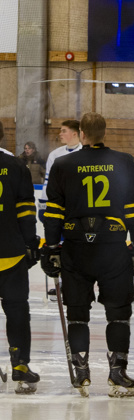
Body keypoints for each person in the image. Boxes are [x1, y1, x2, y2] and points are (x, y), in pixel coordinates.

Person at [41, 112, 134, 398]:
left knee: (77, 313)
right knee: (119, 313)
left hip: (76, 249)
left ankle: (81, 371)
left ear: (82, 135)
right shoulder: (124, 162)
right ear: (104, 132)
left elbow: (53, 212)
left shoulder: (63, 164)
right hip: (113, 248)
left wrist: (50, 247)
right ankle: (118, 373)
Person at [0, 121, 41, 393]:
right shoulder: (16, 166)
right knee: (17, 310)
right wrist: (31, 244)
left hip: (10, 252)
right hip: (10, 253)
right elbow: (26, 211)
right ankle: (20, 365)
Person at [39, 119, 82, 301]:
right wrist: (43, 204)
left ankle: (75, 281)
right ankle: (63, 282)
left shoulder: (84, 153)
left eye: (64, 130)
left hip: (76, 210)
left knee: (74, 247)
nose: (60, 134)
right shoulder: (55, 155)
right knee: (59, 246)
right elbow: (48, 183)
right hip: (58, 208)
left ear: (75, 133)